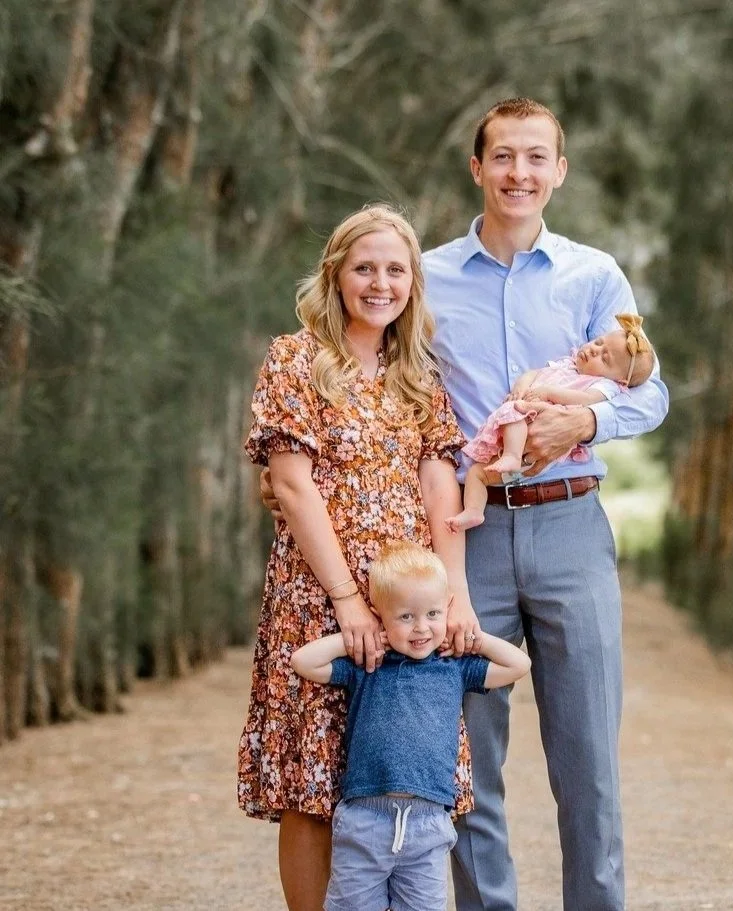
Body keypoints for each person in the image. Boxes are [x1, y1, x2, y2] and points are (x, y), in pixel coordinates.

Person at [262, 98, 669, 910]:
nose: (519, 173)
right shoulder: (425, 276)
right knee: (467, 760)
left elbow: (649, 390)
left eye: (535, 157)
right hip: (464, 535)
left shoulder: (594, 275)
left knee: (587, 756)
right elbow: (387, 389)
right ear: (476, 167)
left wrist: (587, 417)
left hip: (569, 525)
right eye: (503, 156)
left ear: (559, 170)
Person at [238, 204, 484, 911]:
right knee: (312, 776)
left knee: (398, 769)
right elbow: (291, 482)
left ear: (413, 281)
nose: (380, 283)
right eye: (364, 267)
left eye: (395, 269)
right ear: (336, 275)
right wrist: (346, 598)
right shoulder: (295, 359)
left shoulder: (418, 376)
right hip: (320, 590)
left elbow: (440, 479)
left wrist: (455, 591)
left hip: (410, 600)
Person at [290, 542, 530, 911]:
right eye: (405, 617)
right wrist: (355, 638)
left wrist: (475, 639)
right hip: (364, 820)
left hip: (428, 825)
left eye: (433, 613)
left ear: (446, 609)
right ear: (379, 616)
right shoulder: (369, 666)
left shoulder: (453, 668)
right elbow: (303, 661)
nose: (421, 628)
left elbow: (518, 665)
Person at [446, 314, 654, 532]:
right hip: (514, 442)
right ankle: (474, 511)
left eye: (604, 358)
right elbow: (534, 373)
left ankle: (512, 457)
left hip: (538, 455)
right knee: (477, 474)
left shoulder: (602, 386)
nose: (594, 350)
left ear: (619, 380)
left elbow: (583, 400)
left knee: (516, 414)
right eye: (598, 342)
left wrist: (548, 392)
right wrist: (521, 387)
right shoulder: (567, 365)